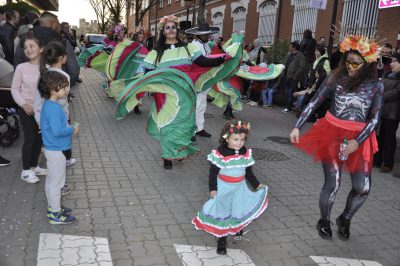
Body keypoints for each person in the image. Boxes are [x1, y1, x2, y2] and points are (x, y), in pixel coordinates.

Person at [290, 35, 383, 240]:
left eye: (356, 63)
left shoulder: (377, 86)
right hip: (332, 133)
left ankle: (345, 218)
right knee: (333, 183)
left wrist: (356, 141)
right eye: (347, 61)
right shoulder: (334, 78)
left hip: (360, 138)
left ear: (367, 63)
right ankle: (324, 220)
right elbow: (314, 102)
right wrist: (297, 126)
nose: (350, 66)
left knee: (363, 188)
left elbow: (375, 119)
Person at [116, 15, 229, 170]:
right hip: (165, 95)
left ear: (177, 30)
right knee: (168, 124)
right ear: (163, 31)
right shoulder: (156, 53)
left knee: (185, 123)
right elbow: (148, 73)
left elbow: (202, 61)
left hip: (186, 93)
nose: (171, 30)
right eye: (167, 27)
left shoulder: (188, 48)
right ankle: (168, 155)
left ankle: (179, 150)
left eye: (173, 27)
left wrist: (223, 58)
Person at [192, 120, 268, 255]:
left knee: (239, 209)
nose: (239, 142)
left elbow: (248, 172)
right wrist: (213, 189)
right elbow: (213, 173)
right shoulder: (220, 153)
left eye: (242, 139)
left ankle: (237, 227)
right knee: (223, 212)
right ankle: (222, 240)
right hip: (224, 188)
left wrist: (257, 185)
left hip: (240, 188)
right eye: (235, 139)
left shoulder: (245, 152)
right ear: (227, 139)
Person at [38, 70, 78, 224]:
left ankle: (53, 207)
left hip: (52, 149)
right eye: (63, 87)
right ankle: (55, 214)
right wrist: (72, 129)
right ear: (52, 88)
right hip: (57, 150)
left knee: (52, 180)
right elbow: (58, 131)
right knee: (57, 183)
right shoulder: (53, 108)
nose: (66, 90)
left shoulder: (49, 105)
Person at [11, 33, 47, 184]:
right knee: (29, 139)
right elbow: (14, 89)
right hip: (26, 109)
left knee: (39, 140)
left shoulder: (47, 68)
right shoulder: (21, 68)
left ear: (41, 49)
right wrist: (23, 104)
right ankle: (25, 171)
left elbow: (48, 92)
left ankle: (34, 166)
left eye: (31, 46)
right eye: (25, 47)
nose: (28, 49)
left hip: (42, 111)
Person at [34, 41, 76, 168]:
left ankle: (58, 162)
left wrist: (38, 118)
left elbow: (37, 99)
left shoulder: (43, 73)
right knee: (61, 141)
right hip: (59, 115)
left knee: (51, 142)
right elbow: (63, 100)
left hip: (43, 115)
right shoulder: (63, 76)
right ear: (61, 58)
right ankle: (64, 161)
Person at [186, 23, 220, 138]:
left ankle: (199, 128)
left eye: (208, 34)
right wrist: (218, 61)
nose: (207, 36)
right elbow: (201, 61)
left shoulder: (205, 44)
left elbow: (208, 57)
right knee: (195, 105)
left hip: (204, 79)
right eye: (205, 35)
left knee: (202, 105)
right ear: (199, 35)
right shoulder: (194, 45)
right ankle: (191, 130)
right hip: (196, 78)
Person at [374, 53, 400, 173]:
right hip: (381, 110)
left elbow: (396, 92)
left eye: (395, 61)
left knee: (389, 139)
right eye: (392, 61)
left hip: (393, 113)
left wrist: (381, 95)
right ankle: (377, 161)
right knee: (379, 136)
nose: (392, 63)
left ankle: (388, 164)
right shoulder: (386, 74)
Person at [282, 42, 307, 113]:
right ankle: (289, 106)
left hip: (294, 78)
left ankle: (288, 108)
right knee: (287, 92)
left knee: (291, 93)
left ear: (294, 48)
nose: (289, 48)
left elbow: (301, 67)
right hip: (287, 76)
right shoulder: (289, 55)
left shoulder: (300, 56)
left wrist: (295, 76)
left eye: (290, 46)